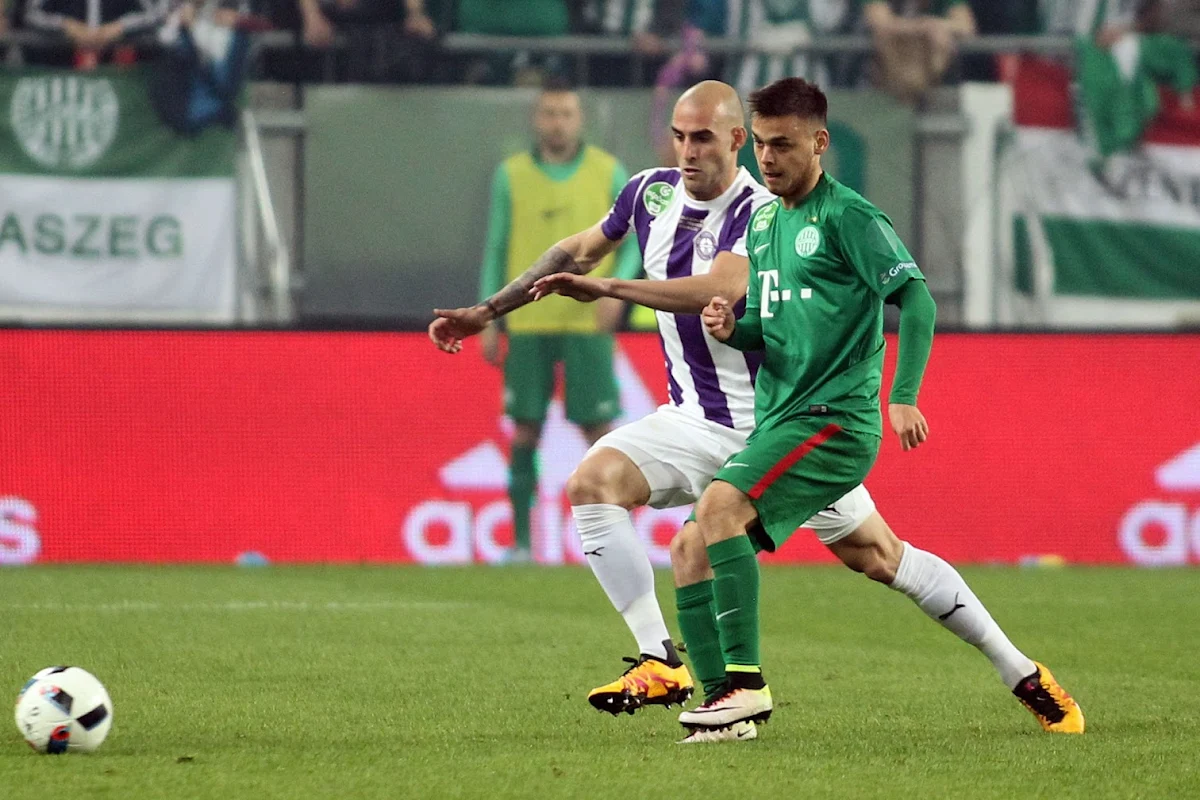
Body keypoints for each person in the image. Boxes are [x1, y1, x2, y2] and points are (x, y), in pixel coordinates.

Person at [665, 77, 1084, 743]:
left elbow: (916, 299)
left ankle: (743, 688)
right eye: (762, 146)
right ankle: (1020, 671)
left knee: (718, 511)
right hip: (784, 425)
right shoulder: (767, 221)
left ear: (819, 143)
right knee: (713, 548)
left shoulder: (849, 217)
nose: (767, 159)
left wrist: (903, 394)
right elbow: (775, 330)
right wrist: (732, 330)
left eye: (783, 145)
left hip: (831, 424)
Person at [431, 80, 780, 715]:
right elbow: (576, 250)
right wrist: (488, 310)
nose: (686, 150)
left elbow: (719, 290)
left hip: (767, 431)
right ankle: (661, 661)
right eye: (679, 135)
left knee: (881, 557)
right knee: (590, 483)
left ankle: (1013, 667)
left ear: (737, 140)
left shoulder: (761, 210)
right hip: (689, 419)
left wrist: (612, 290)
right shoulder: (649, 191)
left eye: (702, 137)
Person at [432, 78, 641, 564]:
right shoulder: (511, 175)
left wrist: (619, 292)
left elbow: (635, 239)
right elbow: (496, 247)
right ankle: (522, 545)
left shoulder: (610, 172)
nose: (558, 122)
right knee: (524, 430)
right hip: (526, 323)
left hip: (586, 321)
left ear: (579, 119)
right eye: (549, 113)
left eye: (566, 113)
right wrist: (488, 317)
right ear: (536, 118)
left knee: (601, 431)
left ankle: (615, 543)